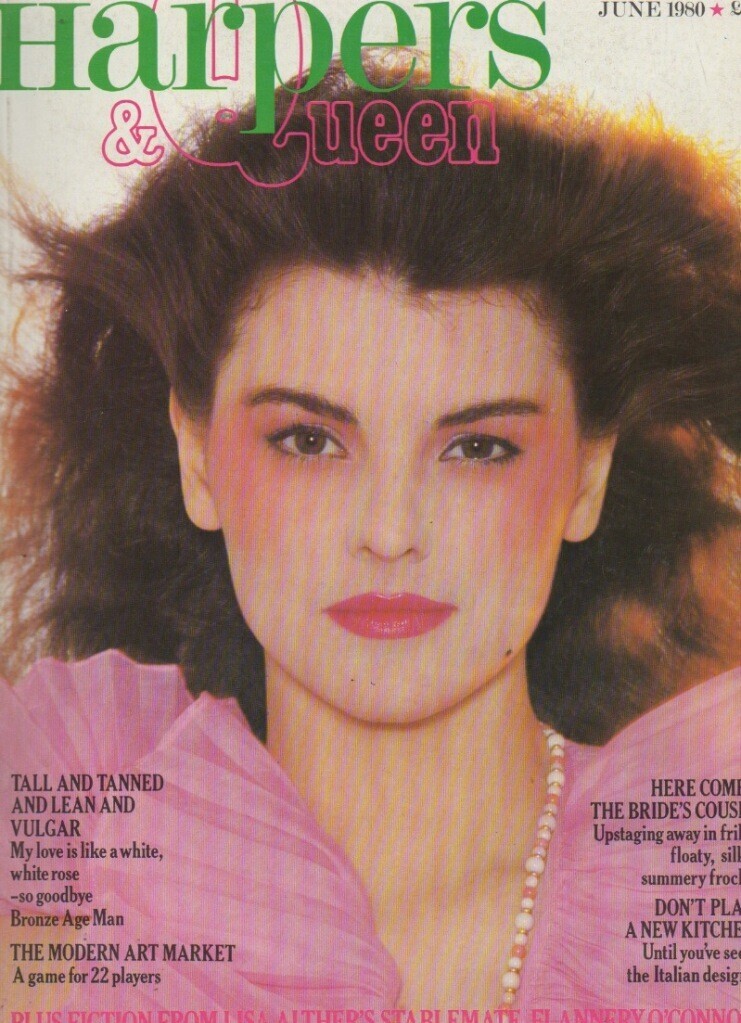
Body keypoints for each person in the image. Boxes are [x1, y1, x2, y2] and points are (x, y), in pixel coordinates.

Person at [1, 61, 739, 1012]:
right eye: (307, 440)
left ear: (586, 478)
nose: (390, 532)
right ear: (197, 458)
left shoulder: (700, 868)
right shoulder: (75, 825)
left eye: (477, 447)